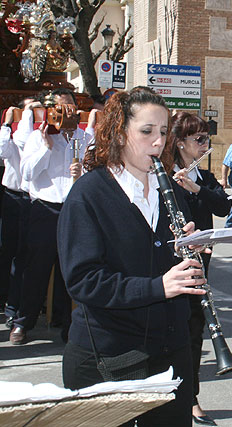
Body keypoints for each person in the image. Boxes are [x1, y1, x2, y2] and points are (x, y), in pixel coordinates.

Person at [57, 88, 206, 426]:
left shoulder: (169, 191)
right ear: (121, 132)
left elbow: (165, 265)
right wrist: (158, 287)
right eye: (147, 131)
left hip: (170, 354)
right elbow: (82, 280)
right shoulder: (90, 193)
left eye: (164, 132)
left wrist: (189, 247)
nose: (158, 141)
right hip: (108, 357)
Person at [10, 88, 89, 345]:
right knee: (37, 269)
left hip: (73, 210)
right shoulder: (37, 136)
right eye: (58, 108)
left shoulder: (83, 137)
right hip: (45, 208)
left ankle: (69, 326)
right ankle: (23, 322)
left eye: (68, 108)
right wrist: (47, 147)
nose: (64, 113)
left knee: (71, 270)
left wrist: (83, 170)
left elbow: (94, 173)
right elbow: (28, 174)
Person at [170, 112, 231, 426]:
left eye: (207, 139)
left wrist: (197, 189)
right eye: (199, 140)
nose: (205, 144)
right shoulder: (162, 176)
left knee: (195, 331)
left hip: (200, 265)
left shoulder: (203, 178)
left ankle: (191, 398)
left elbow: (224, 207)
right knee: (170, 332)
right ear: (180, 143)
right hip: (169, 267)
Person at [0, 100, 36, 329]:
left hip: (33, 200)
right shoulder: (13, 135)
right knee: (8, 252)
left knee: (25, 257)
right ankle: (6, 302)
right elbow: (3, 151)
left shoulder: (45, 136)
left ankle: (16, 307)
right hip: (13, 197)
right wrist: (7, 124)